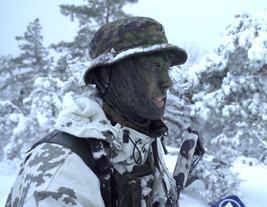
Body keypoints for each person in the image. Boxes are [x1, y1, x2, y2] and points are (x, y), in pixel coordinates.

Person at [6, 16, 188, 207]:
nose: (168, 82)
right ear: (107, 75)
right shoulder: (62, 172)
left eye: (167, 68)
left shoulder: (145, 141)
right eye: (154, 67)